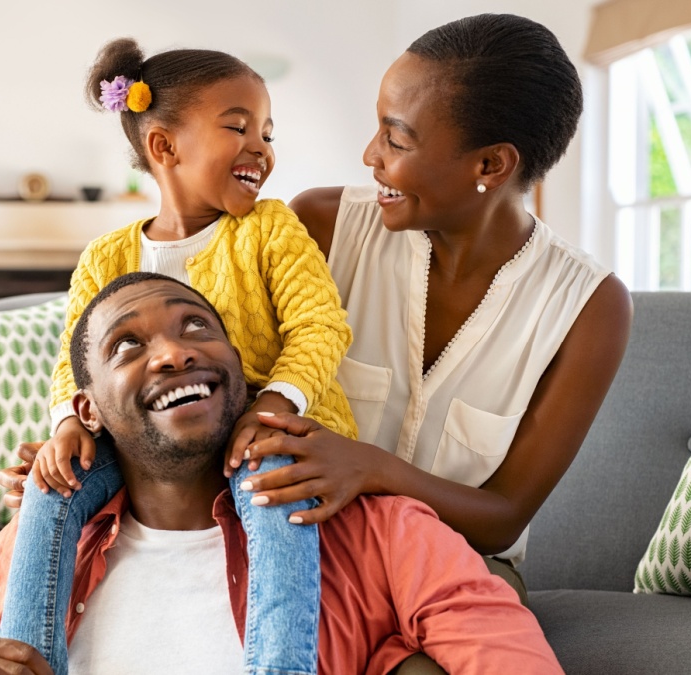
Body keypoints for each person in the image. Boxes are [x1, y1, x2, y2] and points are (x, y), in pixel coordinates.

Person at [0, 272, 558, 674]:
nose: (172, 353)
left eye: (197, 328)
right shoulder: (46, 542)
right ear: (87, 408)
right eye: (130, 344)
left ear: (244, 379)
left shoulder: (379, 529)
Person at [231, 11, 632, 587]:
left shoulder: (590, 310)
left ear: (490, 165)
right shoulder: (320, 228)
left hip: (462, 572)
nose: (371, 155)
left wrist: (372, 469)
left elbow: (504, 517)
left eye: (396, 138)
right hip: (304, 549)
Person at [0, 39, 357, 675]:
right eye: (238, 127)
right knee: (51, 491)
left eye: (268, 133)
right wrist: (67, 426)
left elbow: (319, 325)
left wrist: (272, 406)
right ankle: (25, 660)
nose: (262, 148)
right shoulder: (105, 257)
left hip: (260, 430)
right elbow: (72, 359)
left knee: (272, 487)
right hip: (148, 449)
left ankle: (278, 666)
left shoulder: (270, 228)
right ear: (164, 147)